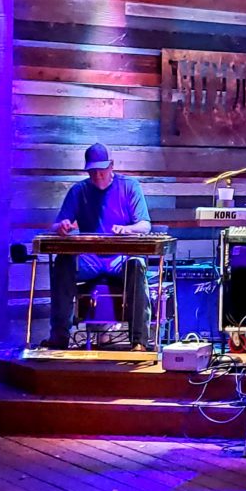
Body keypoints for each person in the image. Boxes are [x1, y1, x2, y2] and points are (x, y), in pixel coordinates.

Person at [46, 143, 152, 351]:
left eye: (101, 171)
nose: (97, 176)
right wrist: (63, 226)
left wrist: (126, 229)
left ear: (111, 166)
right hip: (90, 259)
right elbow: (56, 225)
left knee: (137, 265)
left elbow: (145, 225)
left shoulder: (129, 186)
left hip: (120, 258)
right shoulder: (79, 191)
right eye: (92, 172)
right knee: (63, 261)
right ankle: (59, 337)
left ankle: (139, 341)